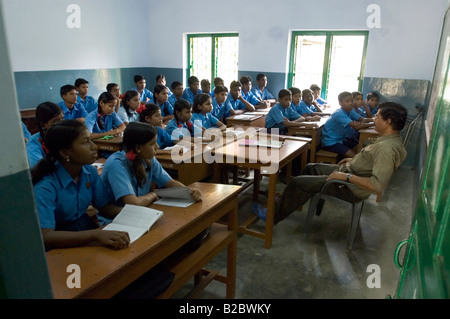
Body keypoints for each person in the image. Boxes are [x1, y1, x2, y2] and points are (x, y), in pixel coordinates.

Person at [253, 102, 408, 224]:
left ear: (388, 121)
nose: (374, 119)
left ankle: (272, 217)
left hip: (352, 186)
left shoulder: (387, 149)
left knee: (298, 182)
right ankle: (291, 202)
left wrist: (345, 177)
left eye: (377, 117)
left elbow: (377, 185)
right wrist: (354, 160)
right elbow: (370, 161)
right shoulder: (388, 140)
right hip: (350, 172)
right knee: (310, 168)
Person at [31, 119, 129, 251]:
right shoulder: (46, 186)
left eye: (91, 140)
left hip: (83, 228)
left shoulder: (89, 171)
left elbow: (104, 207)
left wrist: (134, 214)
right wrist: (95, 235)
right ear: (65, 153)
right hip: (59, 241)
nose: (94, 147)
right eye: (85, 142)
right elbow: (46, 237)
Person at [101, 121, 202, 208]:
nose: (157, 146)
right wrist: (153, 195)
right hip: (117, 218)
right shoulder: (117, 165)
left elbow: (170, 183)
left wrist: (189, 192)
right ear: (138, 148)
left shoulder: (148, 158)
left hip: (143, 211)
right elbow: (133, 203)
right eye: (152, 144)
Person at [321, 91, 373, 158]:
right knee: (352, 155)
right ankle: (348, 164)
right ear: (340, 103)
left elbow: (362, 119)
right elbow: (356, 126)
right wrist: (373, 124)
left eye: (351, 101)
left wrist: (374, 120)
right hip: (330, 142)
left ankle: (347, 161)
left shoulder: (349, 111)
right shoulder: (339, 113)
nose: (350, 103)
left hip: (340, 139)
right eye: (347, 101)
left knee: (360, 145)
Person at [26, 101, 64, 169]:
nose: (62, 124)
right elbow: (38, 168)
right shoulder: (34, 143)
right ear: (43, 125)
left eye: (62, 119)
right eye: (56, 121)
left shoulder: (67, 135)